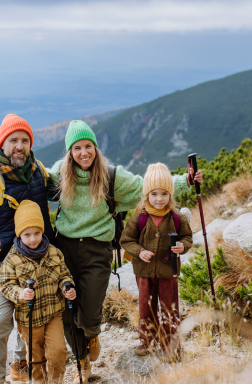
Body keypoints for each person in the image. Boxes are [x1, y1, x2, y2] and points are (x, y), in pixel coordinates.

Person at [46, 120, 203, 383]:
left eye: (88, 146)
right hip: (65, 248)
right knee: (67, 309)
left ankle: (91, 331)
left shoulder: (110, 176)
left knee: (89, 313)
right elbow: (30, 181)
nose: (84, 153)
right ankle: (82, 360)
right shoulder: (58, 175)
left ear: (95, 148)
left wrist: (185, 180)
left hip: (97, 250)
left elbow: (148, 186)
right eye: (77, 148)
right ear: (69, 153)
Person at [0, 114, 58, 384]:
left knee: (29, 315)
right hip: (2, 265)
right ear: (2, 144)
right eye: (13, 140)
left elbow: (61, 191)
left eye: (25, 140)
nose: (20, 146)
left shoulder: (38, 170)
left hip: (38, 260)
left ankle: (20, 366)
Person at [120, 163, 192, 362]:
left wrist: (182, 247)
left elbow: (187, 238)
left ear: (170, 195)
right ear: (146, 196)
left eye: (164, 194)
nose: (159, 199)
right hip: (144, 272)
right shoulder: (139, 218)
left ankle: (171, 346)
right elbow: (126, 240)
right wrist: (140, 251)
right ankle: (147, 342)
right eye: (154, 194)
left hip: (169, 271)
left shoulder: (177, 218)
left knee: (170, 307)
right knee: (146, 306)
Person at [0, 200, 76, 384]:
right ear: (19, 234)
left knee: (58, 352)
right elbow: (6, 286)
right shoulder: (12, 259)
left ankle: (55, 381)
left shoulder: (54, 252)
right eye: (27, 234)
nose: (33, 239)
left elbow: (64, 274)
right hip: (28, 319)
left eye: (37, 233)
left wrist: (68, 286)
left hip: (53, 314)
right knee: (35, 358)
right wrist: (20, 293)